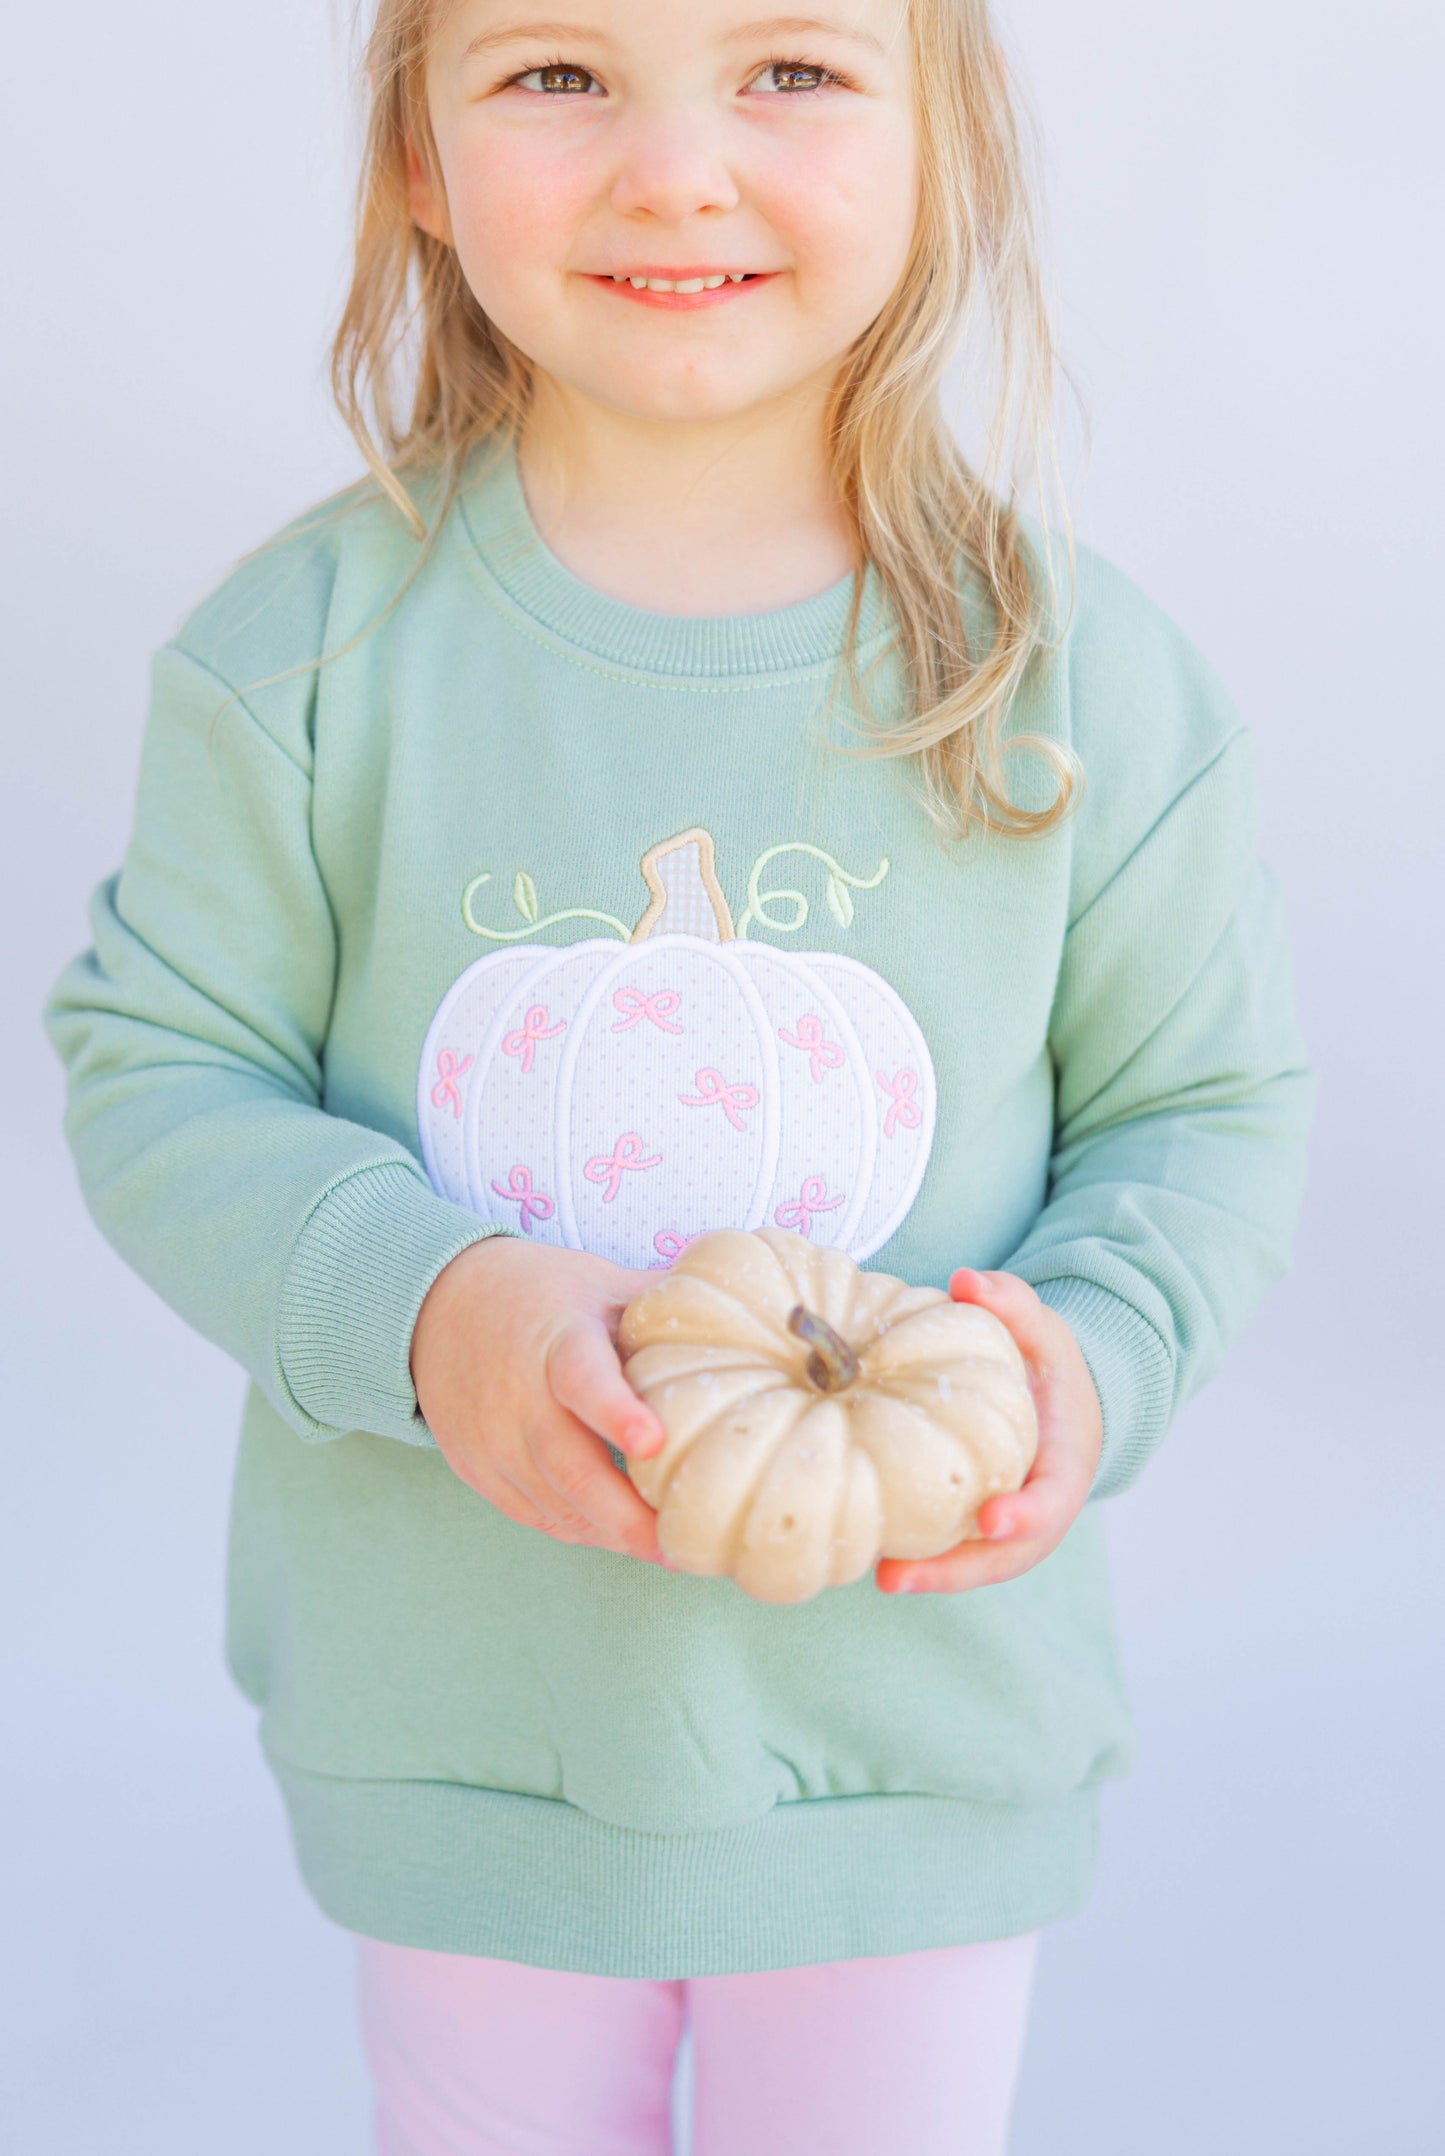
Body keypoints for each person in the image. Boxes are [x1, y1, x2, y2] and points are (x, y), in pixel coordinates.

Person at [43, 0, 1314, 2149]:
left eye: (790, 70)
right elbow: (159, 1067)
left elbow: (1205, 1112)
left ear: (946, 148)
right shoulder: (307, 661)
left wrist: (1090, 1361)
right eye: (558, 72)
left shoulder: (1075, 679)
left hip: (913, 1740)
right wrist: (430, 1303)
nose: (675, 166)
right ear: (419, 166)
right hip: (465, 1733)